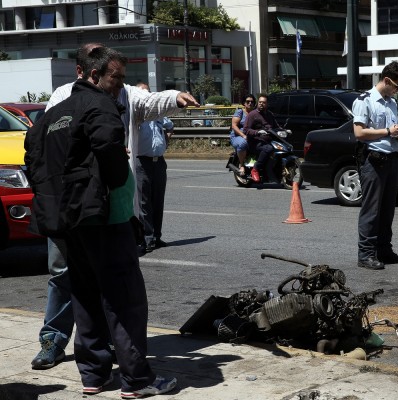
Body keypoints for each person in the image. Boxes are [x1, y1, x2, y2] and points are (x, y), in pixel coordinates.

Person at [31, 42, 198, 371]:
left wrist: (175, 96)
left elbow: (149, 102)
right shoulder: (65, 98)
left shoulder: (122, 97)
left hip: (111, 211)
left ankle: (98, 358)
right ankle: (55, 339)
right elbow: (49, 148)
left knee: (101, 284)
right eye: (116, 77)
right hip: (74, 208)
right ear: (88, 71)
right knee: (69, 276)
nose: (121, 84)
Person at [352, 61, 398, 270]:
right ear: (387, 80)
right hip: (374, 159)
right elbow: (360, 133)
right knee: (371, 210)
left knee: (387, 209)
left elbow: (391, 133)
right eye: (397, 86)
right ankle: (366, 254)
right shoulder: (365, 100)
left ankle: (384, 250)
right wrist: (388, 131)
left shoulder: (391, 102)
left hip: (391, 157)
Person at [135, 82, 174, 255]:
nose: (147, 96)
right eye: (143, 93)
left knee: (158, 200)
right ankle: (147, 238)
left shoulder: (158, 114)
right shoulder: (136, 115)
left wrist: (167, 138)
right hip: (142, 161)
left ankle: (157, 236)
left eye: (148, 93)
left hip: (159, 161)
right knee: (144, 202)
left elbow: (170, 125)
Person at [244, 94, 279, 183]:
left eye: (263, 102)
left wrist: (285, 130)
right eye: (260, 102)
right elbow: (246, 130)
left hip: (268, 140)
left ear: (267, 104)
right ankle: (255, 169)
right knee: (268, 148)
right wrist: (257, 132)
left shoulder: (269, 114)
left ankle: (272, 172)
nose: (261, 104)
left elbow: (276, 126)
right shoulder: (252, 114)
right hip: (255, 142)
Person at [229, 94, 256, 176]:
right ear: (244, 103)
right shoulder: (240, 112)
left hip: (251, 135)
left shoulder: (255, 113)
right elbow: (234, 126)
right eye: (248, 101)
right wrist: (243, 135)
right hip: (237, 136)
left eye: (252, 102)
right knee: (243, 143)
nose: (250, 103)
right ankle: (242, 165)